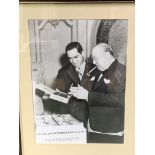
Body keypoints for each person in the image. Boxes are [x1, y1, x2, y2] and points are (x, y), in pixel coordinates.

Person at [69, 43, 126, 143]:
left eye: (96, 58)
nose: (94, 62)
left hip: (109, 130)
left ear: (107, 54)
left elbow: (119, 99)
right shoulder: (100, 69)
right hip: (94, 126)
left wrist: (88, 95)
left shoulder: (121, 71)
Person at [45, 41, 94, 127]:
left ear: (83, 53)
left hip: (92, 114)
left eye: (76, 57)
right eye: (70, 58)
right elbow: (59, 92)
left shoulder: (95, 68)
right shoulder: (63, 71)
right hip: (72, 115)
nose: (73, 61)